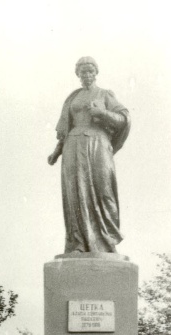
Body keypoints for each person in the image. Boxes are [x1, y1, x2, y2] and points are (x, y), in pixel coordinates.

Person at [48, 56, 130, 254]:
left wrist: (102, 113)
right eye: (82, 71)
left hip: (98, 144)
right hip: (73, 145)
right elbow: (66, 129)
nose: (86, 75)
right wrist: (57, 152)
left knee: (103, 191)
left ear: (95, 73)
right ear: (78, 74)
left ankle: (106, 242)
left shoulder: (104, 95)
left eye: (90, 71)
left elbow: (124, 119)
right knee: (75, 194)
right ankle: (78, 244)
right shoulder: (72, 98)